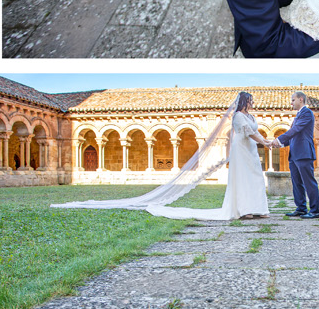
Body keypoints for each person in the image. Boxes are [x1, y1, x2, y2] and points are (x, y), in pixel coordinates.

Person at [51, 91, 272, 221]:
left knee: (254, 178)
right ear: (244, 101)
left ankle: (258, 208)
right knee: (244, 179)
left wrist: (266, 140)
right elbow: (250, 133)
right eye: (250, 100)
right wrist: (266, 142)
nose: (253, 103)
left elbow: (256, 131)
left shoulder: (249, 115)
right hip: (242, 152)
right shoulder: (238, 118)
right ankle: (244, 211)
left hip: (250, 152)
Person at [276, 91, 319, 218]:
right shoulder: (298, 115)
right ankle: (301, 208)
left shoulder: (307, 113)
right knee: (297, 183)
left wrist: (278, 139)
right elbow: (293, 136)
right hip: (294, 154)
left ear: (301, 99)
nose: (291, 103)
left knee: (309, 183)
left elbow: (295, 130)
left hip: (304, 153)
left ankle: (315, 211)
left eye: (293, 100)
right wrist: (279, 144)